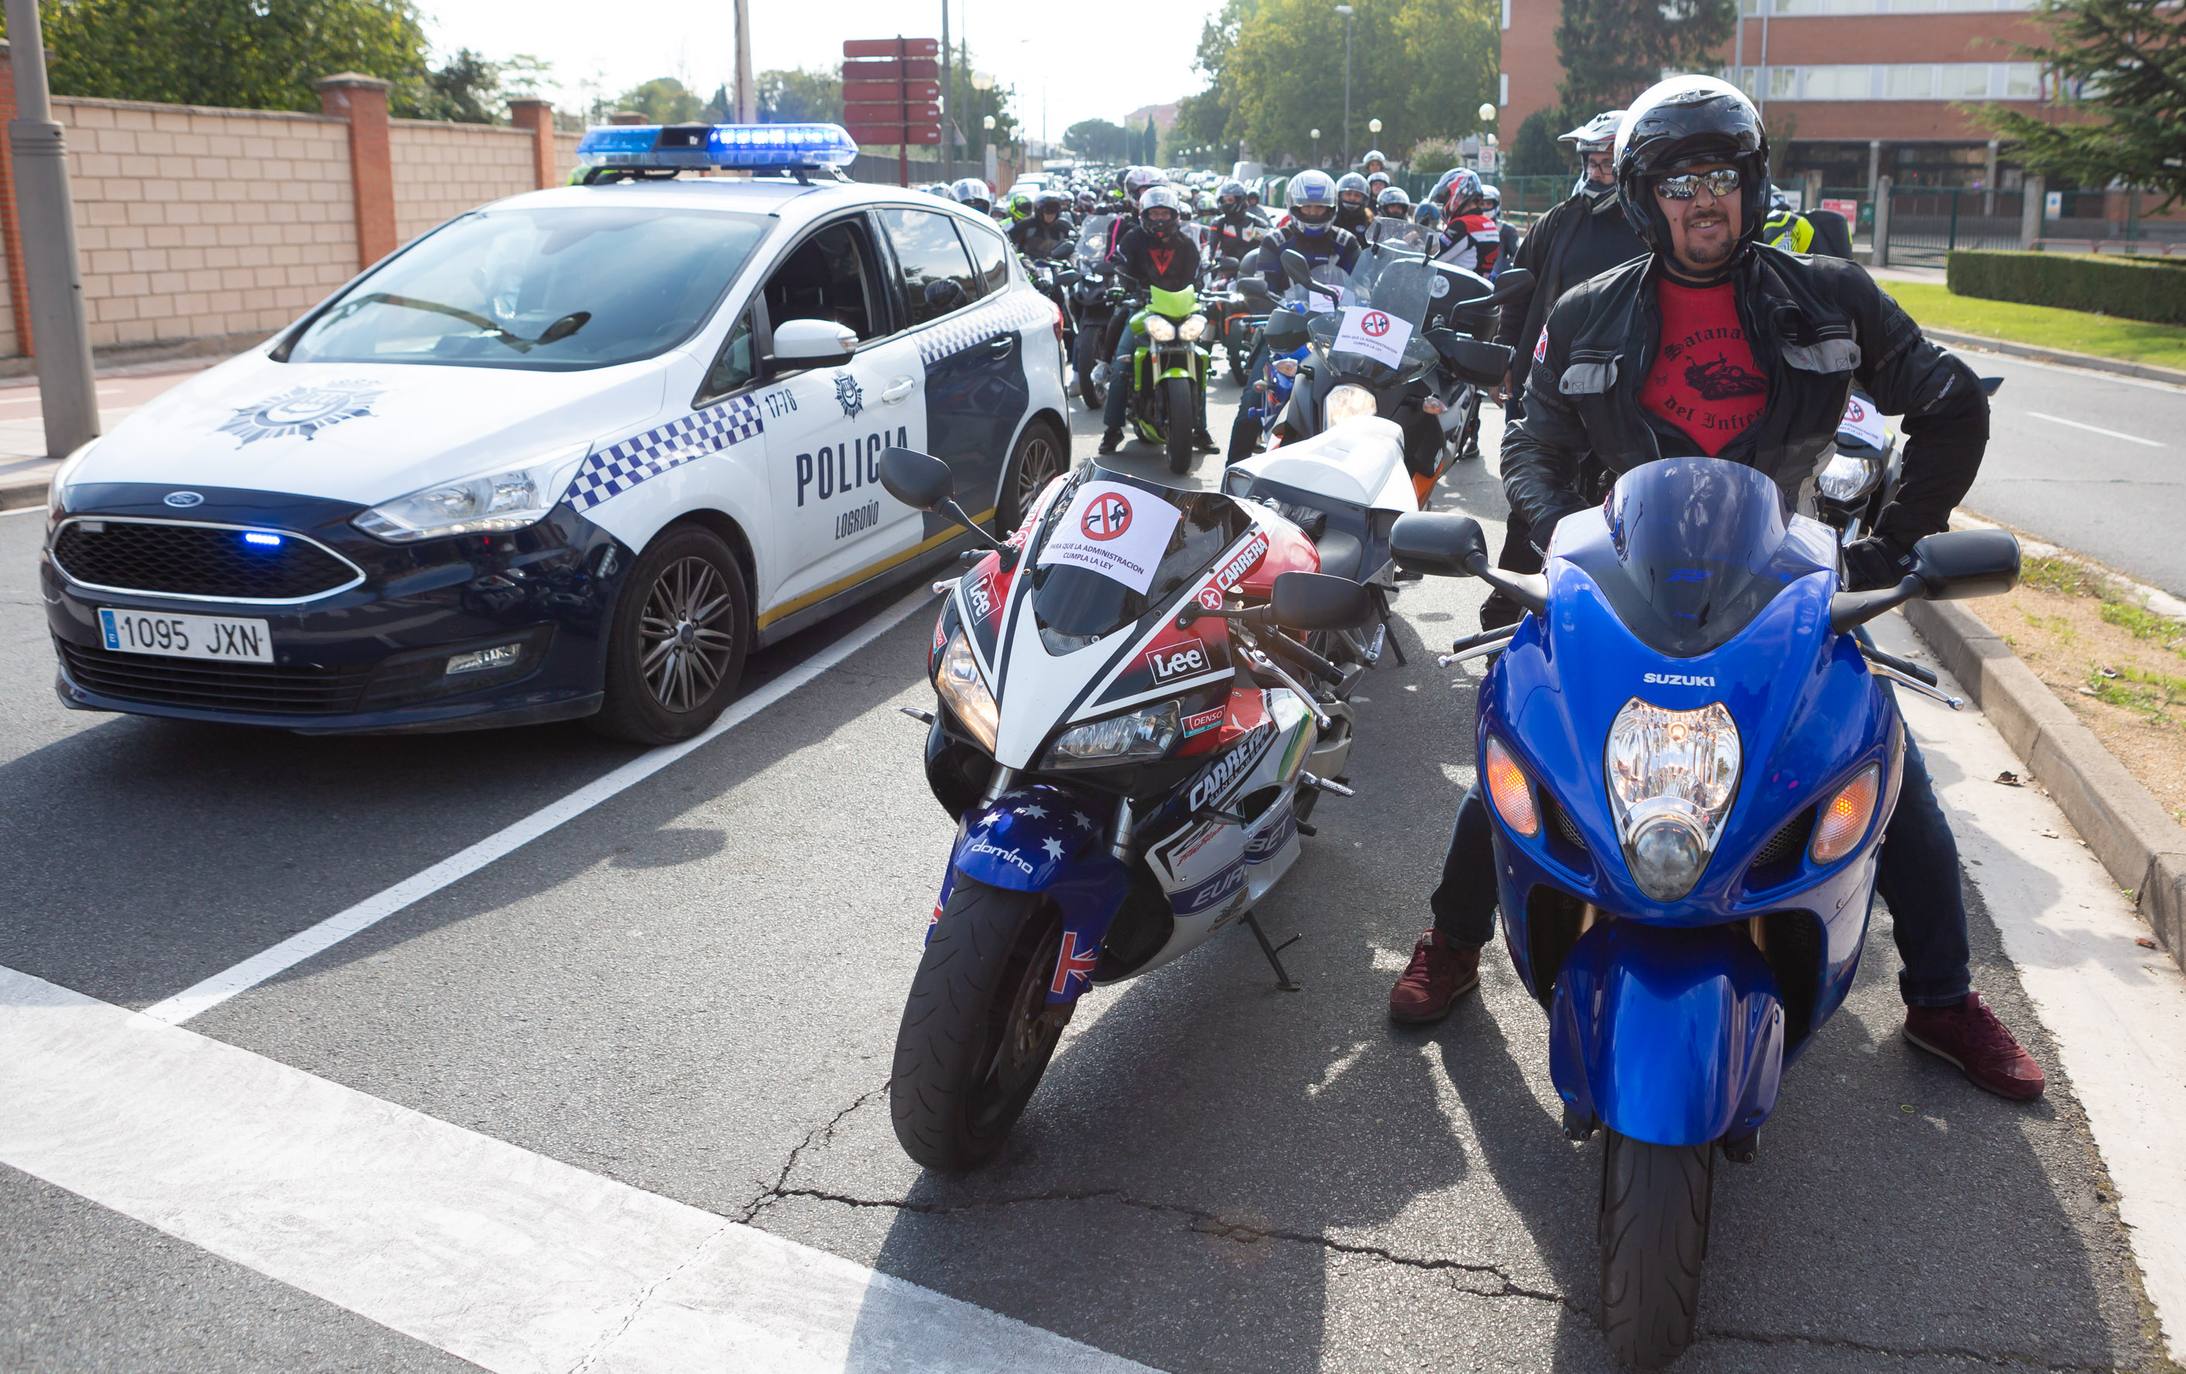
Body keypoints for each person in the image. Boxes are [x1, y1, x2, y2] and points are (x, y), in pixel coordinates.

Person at [1388, 73, 2045, 1104]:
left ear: (1751, 184)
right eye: (1678, 180)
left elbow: (1947, 401)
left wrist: (1889, 547)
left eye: (1721, 176)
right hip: (1621, 574)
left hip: (1776, 577)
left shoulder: (1824, 294)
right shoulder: (1588, 308)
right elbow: (1532, 435)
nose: (1703, 200)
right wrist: (1556, 530)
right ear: (1645, 194)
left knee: (1879, 768)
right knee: (1530, 759)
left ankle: (1941, 998)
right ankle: (1454, 941)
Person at [1477, 109, 1649, 630]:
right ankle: (1508, 617)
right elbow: (1518, 290)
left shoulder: (1654, 224)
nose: (1598, 174)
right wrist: (1507, 352)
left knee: (1630, 510)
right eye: (1592, 163)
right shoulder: (1560, 221)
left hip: (1627, 394)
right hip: (1548, 385)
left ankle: (1615, 625)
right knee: (1532, 501)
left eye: (1608, 164)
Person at [1099, 185, 1216, 456]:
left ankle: (1200, 429)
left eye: (1165, 213)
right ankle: (1112, 429)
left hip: (1180, 310)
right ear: (1144, 215)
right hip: (1144, 307)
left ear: (1175, 215)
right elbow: (1120, 265)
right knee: (1122, 366)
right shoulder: (1132, 239)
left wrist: (1202, 288)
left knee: (1200, 361)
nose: (1160, 219)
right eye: (1155, 214)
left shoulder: (1186, 243)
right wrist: (1123, 284)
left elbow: (1197, 274)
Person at [1432, 168, 1502, 276]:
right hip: (1481, 287)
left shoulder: (1464, 225)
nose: (1444, 203)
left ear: (1458, 193)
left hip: (1460, 290)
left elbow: (1433, 258)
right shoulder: (1487, 223)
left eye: (1445, 197)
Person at [1009, 190, 1075, 261]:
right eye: (1048, 210)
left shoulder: (1063, 226)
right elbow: (1009, 245)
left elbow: (1077, 245)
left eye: (1054, 210)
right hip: (1029, 268)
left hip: (1058, 268)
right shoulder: (1025, 225)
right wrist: (1022, 259)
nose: (1051, 214)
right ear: (1039, 210)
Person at [1479, 184, 1520, 277]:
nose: (1485, 207)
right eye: (1482, 204)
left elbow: (1517, 257)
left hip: (1496, 278)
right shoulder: (1470, 227)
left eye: (1488, 203)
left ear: (1496, 204)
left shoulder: (1506, 229)